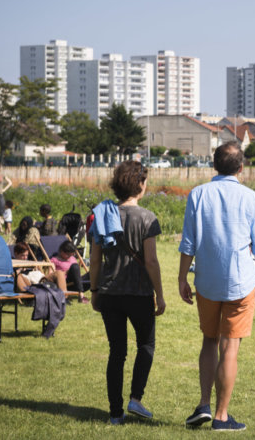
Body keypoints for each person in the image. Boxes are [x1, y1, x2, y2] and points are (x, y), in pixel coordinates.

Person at [179, 141, 255, 432]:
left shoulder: (198, 194)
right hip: (241, 280)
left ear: (214, 165)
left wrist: (182, 278)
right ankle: (221, 416)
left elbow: (188, 243)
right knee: (230, 348)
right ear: (241, 167)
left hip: (206, 280)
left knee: (209, 340)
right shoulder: (250, 197)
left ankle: (204, 404)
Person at [89, 161, 165, 425]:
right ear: (140, 185)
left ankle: (114, 413)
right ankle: (136, 397)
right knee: (145, 345)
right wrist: (161, 294)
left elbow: (95, 261)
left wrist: (94, 291)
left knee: (116, 352)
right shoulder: (147, 217)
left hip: (110, 293)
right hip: (139, 293)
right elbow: (152, 261)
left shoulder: (101, 216)